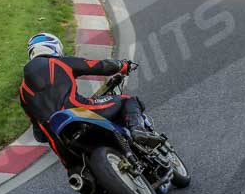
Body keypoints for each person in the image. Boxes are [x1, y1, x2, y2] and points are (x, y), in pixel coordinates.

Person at [20, 33, 160, 157]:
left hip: (60, 143)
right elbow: (99, 66)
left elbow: (39, 134)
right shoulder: (59, 62)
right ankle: (138, 131)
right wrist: (123, 65)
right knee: (127, 100)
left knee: (79, 175)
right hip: (79, 110)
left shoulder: (23, 91)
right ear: (55, 47)